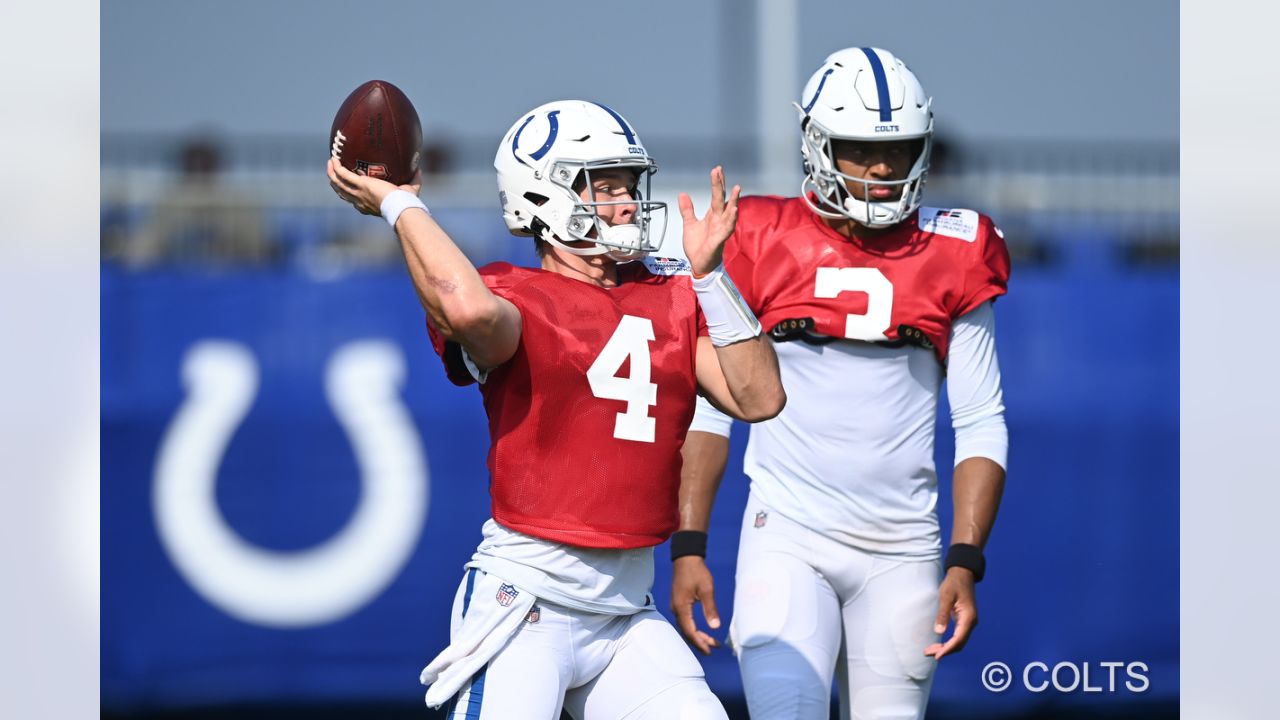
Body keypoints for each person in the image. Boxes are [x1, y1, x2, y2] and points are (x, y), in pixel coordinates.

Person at [327, 99, 785, 720]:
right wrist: (399, 203)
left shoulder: (672, 295)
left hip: (627, 613)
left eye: (629, 185)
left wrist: (711, 277)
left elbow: (760, 398)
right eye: (606, 186)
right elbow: (468, 312)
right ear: (542, 196)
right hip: (527, 603)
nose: (627, 203)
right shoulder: (514, 294)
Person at [671, 47, 1011, 719]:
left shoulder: (958, 248)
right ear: (819, 144)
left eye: (899, 149)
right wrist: (689, 546)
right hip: (787, 536)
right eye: (859, 149)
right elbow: (715, 410)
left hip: (904, 549)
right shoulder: (757, 235)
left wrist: (966, 558)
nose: (883, 167)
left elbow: (980, 419)